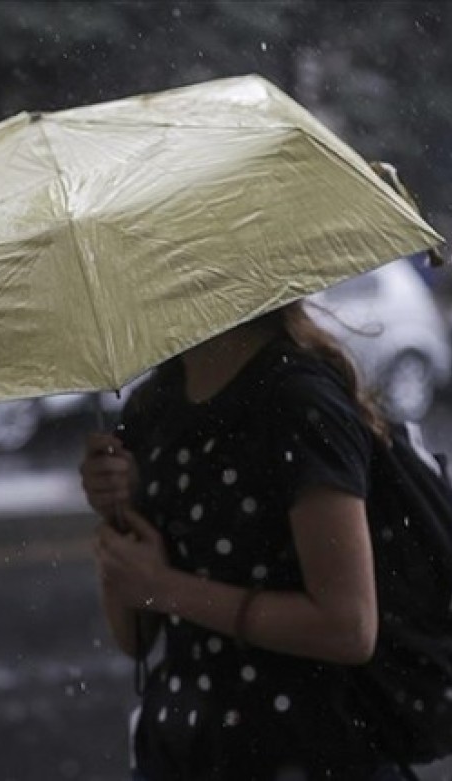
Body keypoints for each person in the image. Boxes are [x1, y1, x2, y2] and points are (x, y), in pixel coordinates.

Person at [79, 300, 419, 781]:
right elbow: (135, 637)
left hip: (304, 751)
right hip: (183, 752)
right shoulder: (152, 409)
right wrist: (118, 516)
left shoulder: (299, 404)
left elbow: (348, 626)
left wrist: (164, 586)